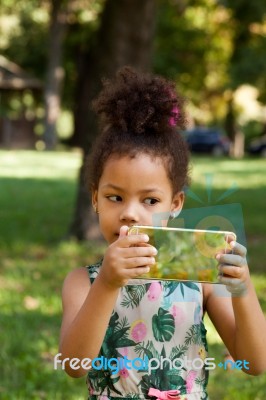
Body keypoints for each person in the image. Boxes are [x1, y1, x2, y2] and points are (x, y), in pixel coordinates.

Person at [58, 67, 266, 400]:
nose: (130, 212)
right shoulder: (83, 282)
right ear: (95, 197)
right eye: (115, 197)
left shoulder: (200, 279)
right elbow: (73, 364)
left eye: (150, 200)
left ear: (176, 203)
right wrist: (108, 284)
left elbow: (255, 362)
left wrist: (243, 289)